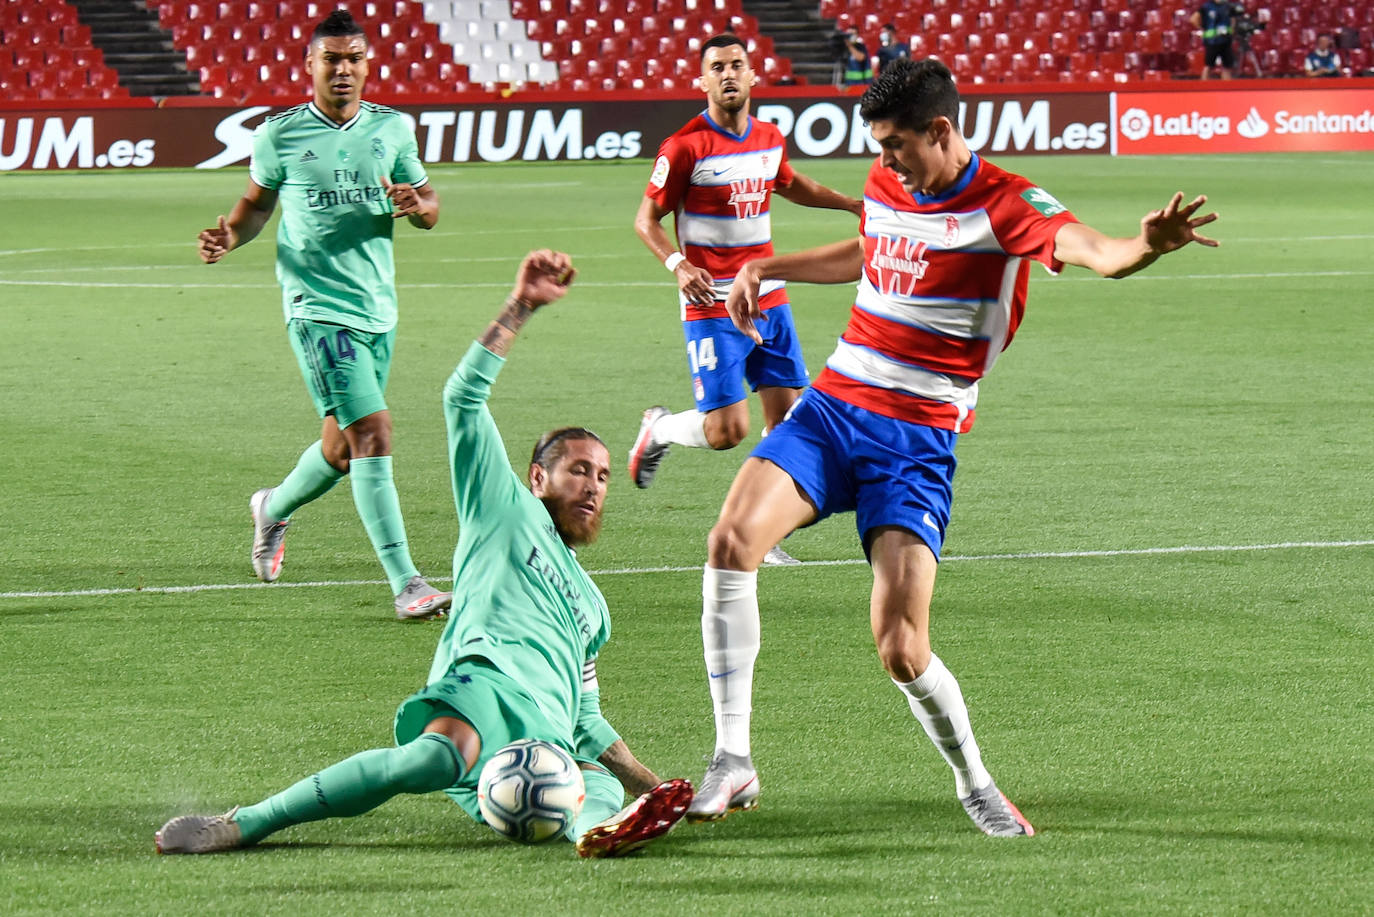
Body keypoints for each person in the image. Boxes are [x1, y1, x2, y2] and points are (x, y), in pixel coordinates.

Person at [687, 59, 1219, 836]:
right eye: (878, 145)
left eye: (897, 143)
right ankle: (732, 757)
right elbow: (871, 251)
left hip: (916, 439)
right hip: (834, 405)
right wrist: (768, 266)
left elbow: (1095, 251)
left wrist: (1143, 246)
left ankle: (975, 782)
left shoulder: (1006, 204)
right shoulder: (887, 180)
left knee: (901, 648)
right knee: (731, 539)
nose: (885, 158)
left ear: (941, 130)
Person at [155, 250, 694, 859]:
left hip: (546, 736)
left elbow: (587, 719)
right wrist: (520, 306)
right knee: (432, 759)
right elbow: (463, 397)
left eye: (602, 475)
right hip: (485, 685)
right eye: (576, 469)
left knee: (590, 781)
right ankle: (244, 823)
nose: (593, 484)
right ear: (537, 479)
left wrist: (653, 786)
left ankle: (594, 830)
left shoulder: (594, 609)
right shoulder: (504, 507)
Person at [196, 10, 450, 620]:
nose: (343, 69)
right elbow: (256, 205)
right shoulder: (279, 135)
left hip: (377, 310)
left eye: (354, 58)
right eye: (331, 58)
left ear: (368, 65)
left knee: (341, 450)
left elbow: (431, 205)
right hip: (317, 309)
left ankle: (273, 507)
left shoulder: (391, 129)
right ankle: (408, 582)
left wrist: (418, 204)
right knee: (374, 434)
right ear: (310, 65)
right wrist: (231, 235)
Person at [630, 33, 862, 564]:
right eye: (717, 67)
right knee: (727, 430)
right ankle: (660, 427)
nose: (728, 74)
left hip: (769, 298)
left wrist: (849, 203)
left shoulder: (769, 136)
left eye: (737, 64)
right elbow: (646, 220)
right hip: (712, 302)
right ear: (703, 79)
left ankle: (767, 531)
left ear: (753, 75)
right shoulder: (684, 146)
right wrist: (678, 264)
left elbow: (789, 183)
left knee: (786, 424)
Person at [1191, 0, 1235, 79]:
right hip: (1212, 41)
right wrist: (1201, 27)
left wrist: (1232, 30)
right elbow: (1194, 19)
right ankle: (1203, 87)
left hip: (1226, 39)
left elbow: (1232, 20)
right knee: (1209, 65)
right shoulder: (1206, 7)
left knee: (1227, 66)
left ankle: (1227, 88)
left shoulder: (1228, 6)